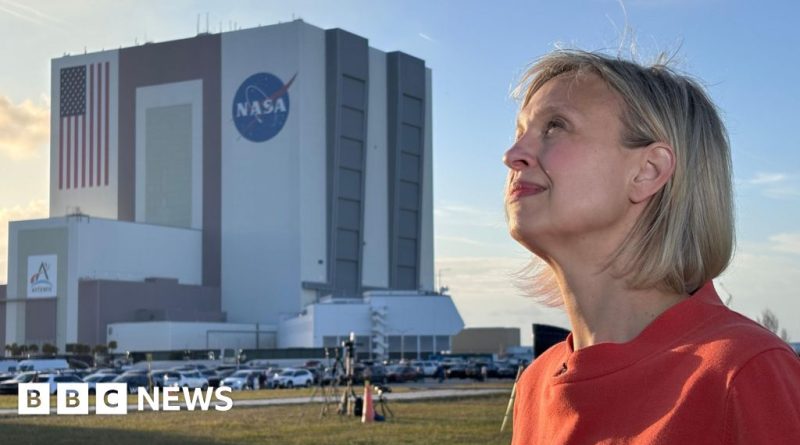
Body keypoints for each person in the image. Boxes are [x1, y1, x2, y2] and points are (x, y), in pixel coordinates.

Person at [504, 49, 800, 444]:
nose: (512, 156)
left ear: (649, 171)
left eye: (555, 126)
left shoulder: (742, 373)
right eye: (520, 132)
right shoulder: (536, 385)